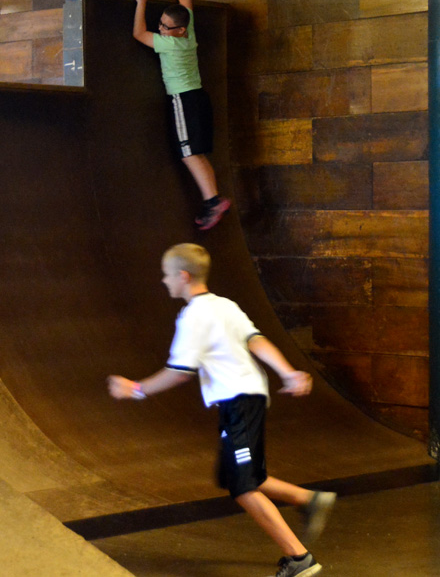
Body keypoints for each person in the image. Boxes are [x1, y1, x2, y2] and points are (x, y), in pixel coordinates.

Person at [108, 243, 336, 577]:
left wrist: (136, 389)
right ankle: (307, 500)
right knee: (233, 475)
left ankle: (299, 559)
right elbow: (256, 340)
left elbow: (179, 371)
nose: (163, 280)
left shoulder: (194, 316)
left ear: (183, 277)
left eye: (166, 274)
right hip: (248, 397)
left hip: (239, 403)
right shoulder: (225, 305)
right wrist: (286, 371)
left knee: (243, 486)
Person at [131, 0, 231, 231]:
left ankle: (212, 201)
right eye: (161, 24)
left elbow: (138, 33)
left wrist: (142, 0)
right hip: (198, 97)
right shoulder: (188, 32)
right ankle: (213, 200)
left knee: (189, 154)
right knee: (195, 153)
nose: (161, 29)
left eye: (166, 27)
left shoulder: (169, 44)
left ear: (180, 29)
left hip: (183, 100)